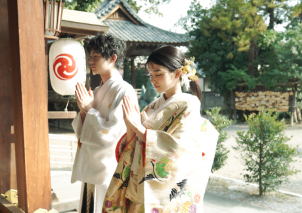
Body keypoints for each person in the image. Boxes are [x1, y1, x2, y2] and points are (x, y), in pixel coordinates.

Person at [102, 46, 219, 213]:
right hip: (139, 184)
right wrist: (130, 127)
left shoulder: (189, 104)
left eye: (158, 74)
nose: (153, 79)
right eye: (150, 74)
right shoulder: (153, 105)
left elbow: (179, 150)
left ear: (177, 73)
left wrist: (139, 129)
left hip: (162, 193)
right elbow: (133, 144)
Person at [71, 33, 138, 213]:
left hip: (109, 166)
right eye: (89, 56)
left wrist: (88, 109)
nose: (90, 61)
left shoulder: (125, 90)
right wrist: (85, 111)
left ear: (113, 58)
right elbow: (84, 130)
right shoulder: (99, 89)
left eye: (96, 56)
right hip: (92, 162)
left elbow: (113, 132)